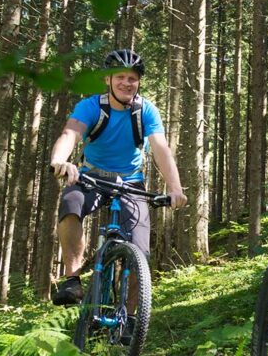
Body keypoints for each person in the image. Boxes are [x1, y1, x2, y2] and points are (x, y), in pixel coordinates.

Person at [49, 49, 187, 305]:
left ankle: (131, 320)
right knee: (70, 204)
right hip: (92, 176)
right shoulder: (91, 107)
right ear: (108, 80)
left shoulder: (146, 111)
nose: (126, 83)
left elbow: (161, 149)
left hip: (130, 182)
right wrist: (59, 161)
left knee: (139, 252)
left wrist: (175, 188)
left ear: (139, 82)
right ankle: (72, 280)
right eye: (119, 77)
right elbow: (71, 133)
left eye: (132, 78)